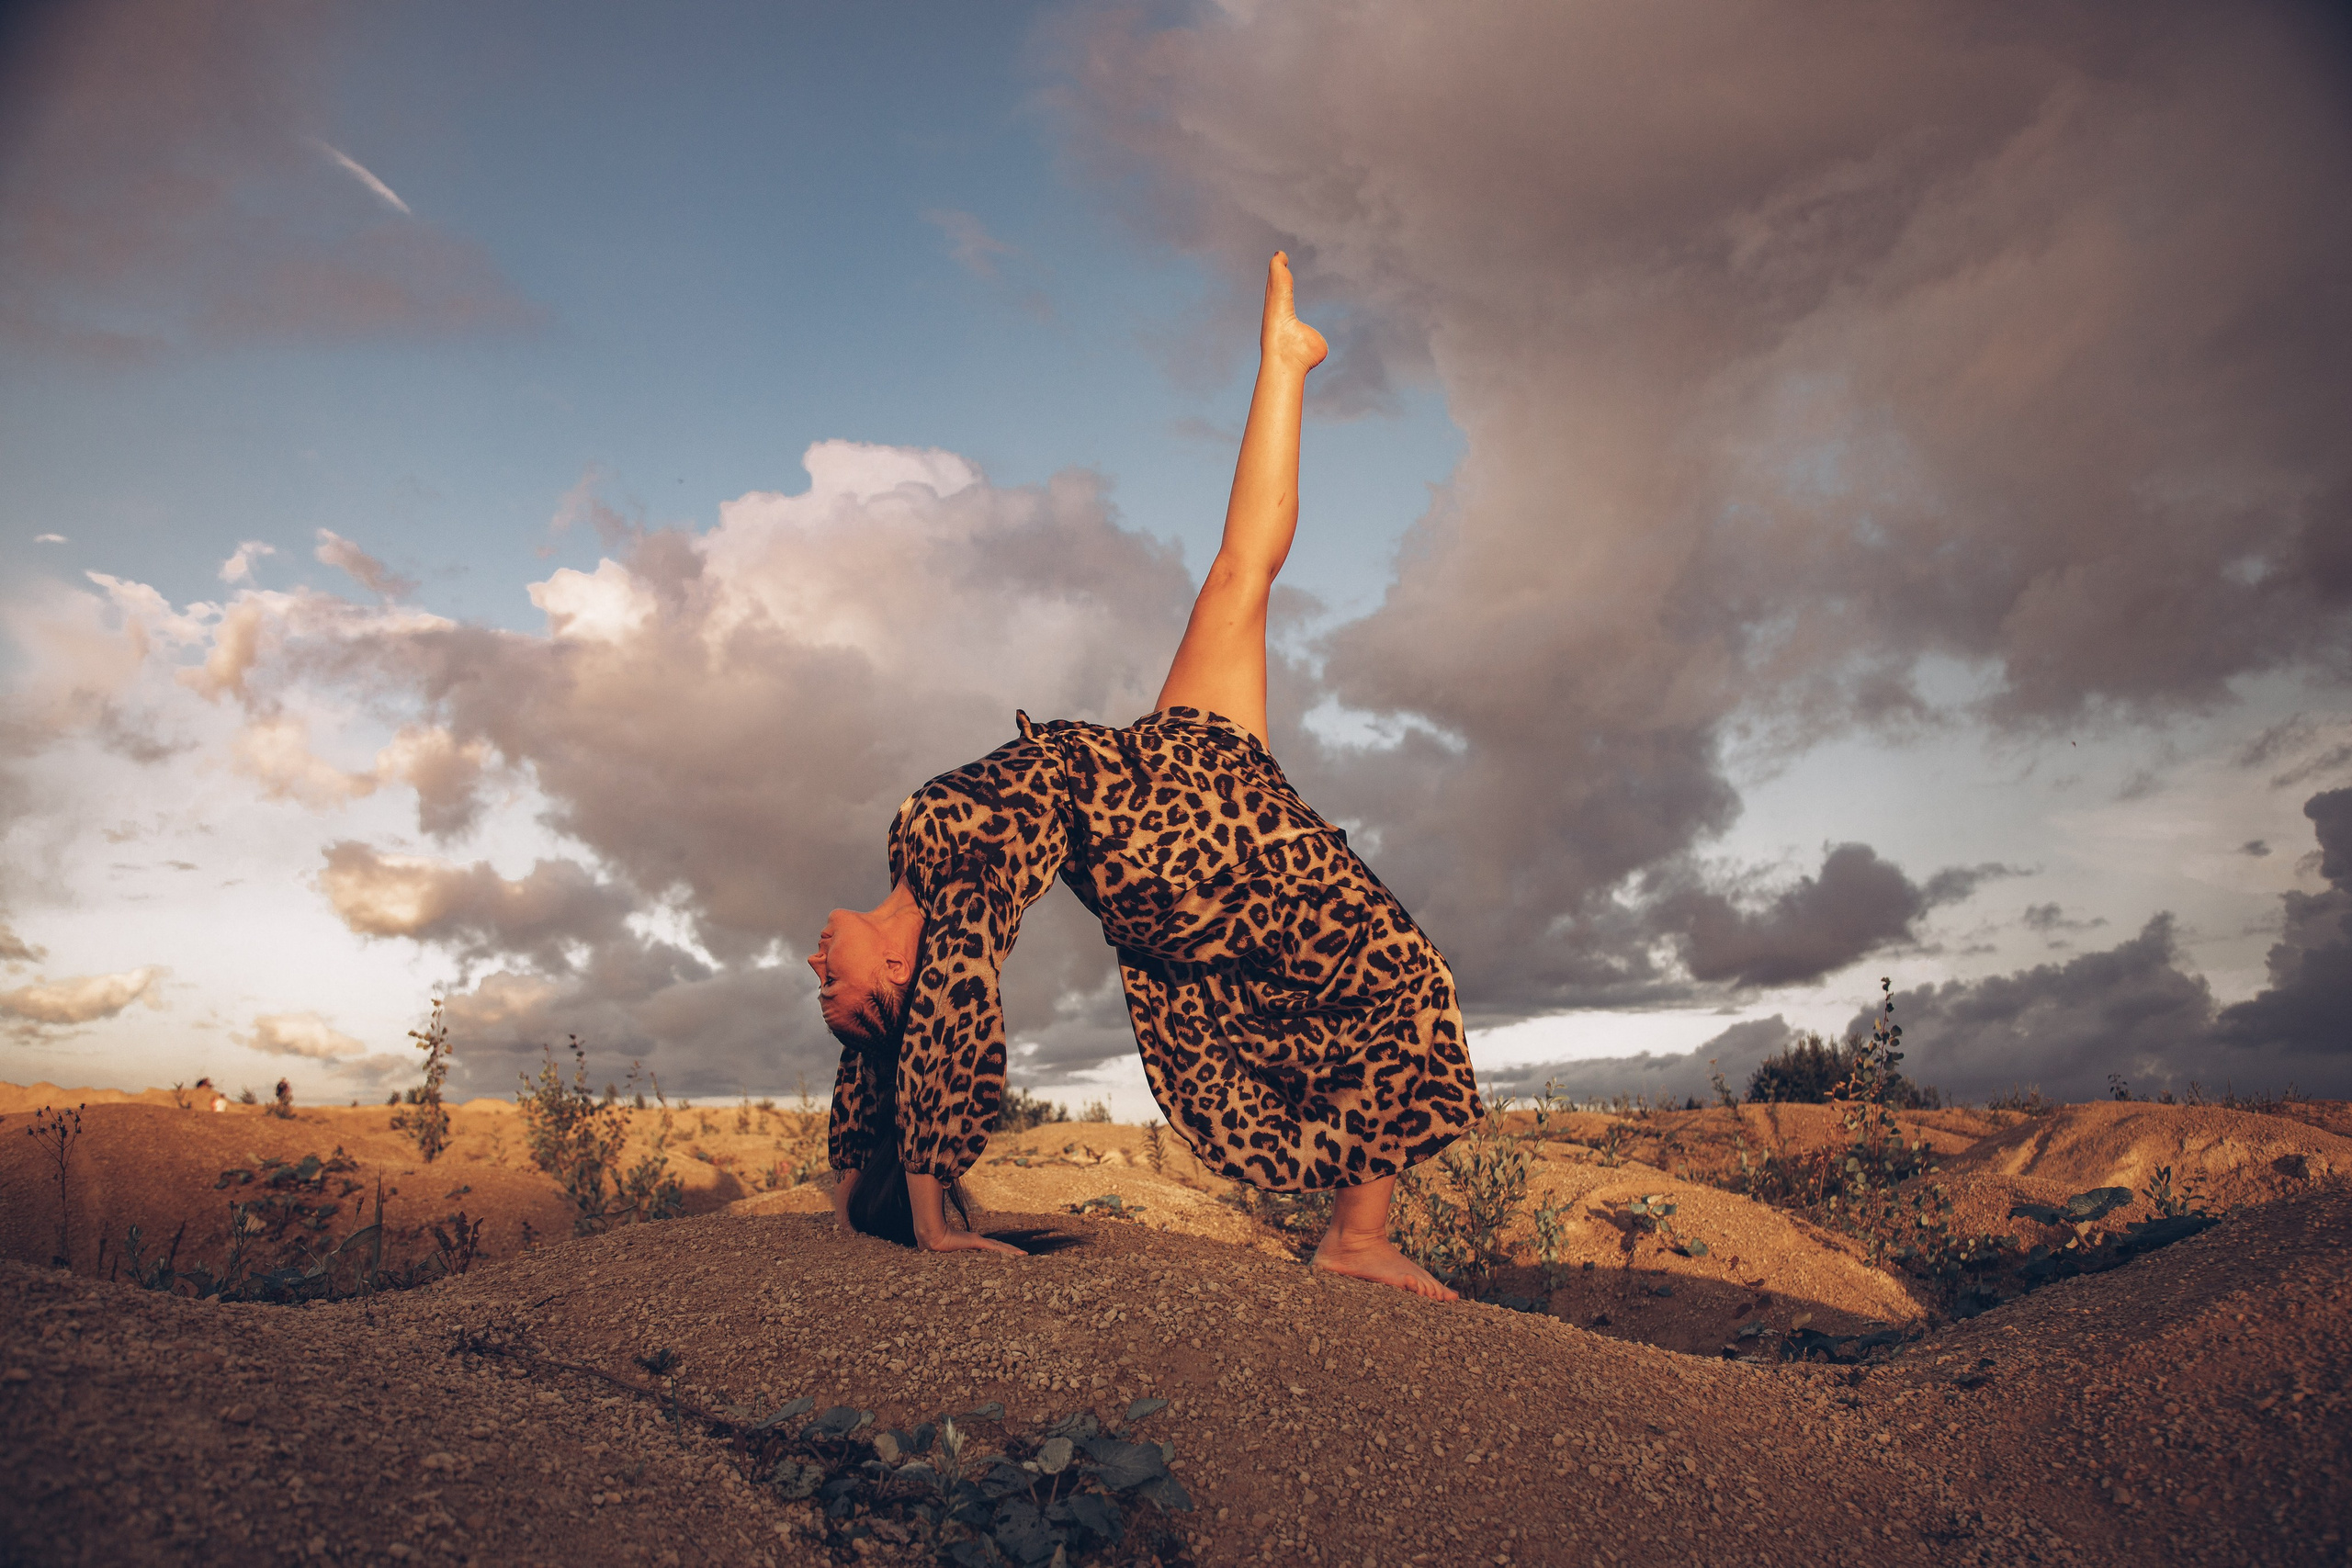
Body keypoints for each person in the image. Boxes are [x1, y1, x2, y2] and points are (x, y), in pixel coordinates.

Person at [810, 254, 1484, 1300]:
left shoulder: (912, 848)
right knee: (1398, 979)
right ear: (898, 977)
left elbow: (873, 1074)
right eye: (835, 990)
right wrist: (930, 1222)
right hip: (1189, 841)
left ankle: (1285, 364)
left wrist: (851, 1189)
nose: (815, 967)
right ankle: (1357, 1236)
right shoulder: (952, 914)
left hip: (1160, 772)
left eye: (821, 983)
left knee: (1238, 573)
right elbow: (942, 1035)